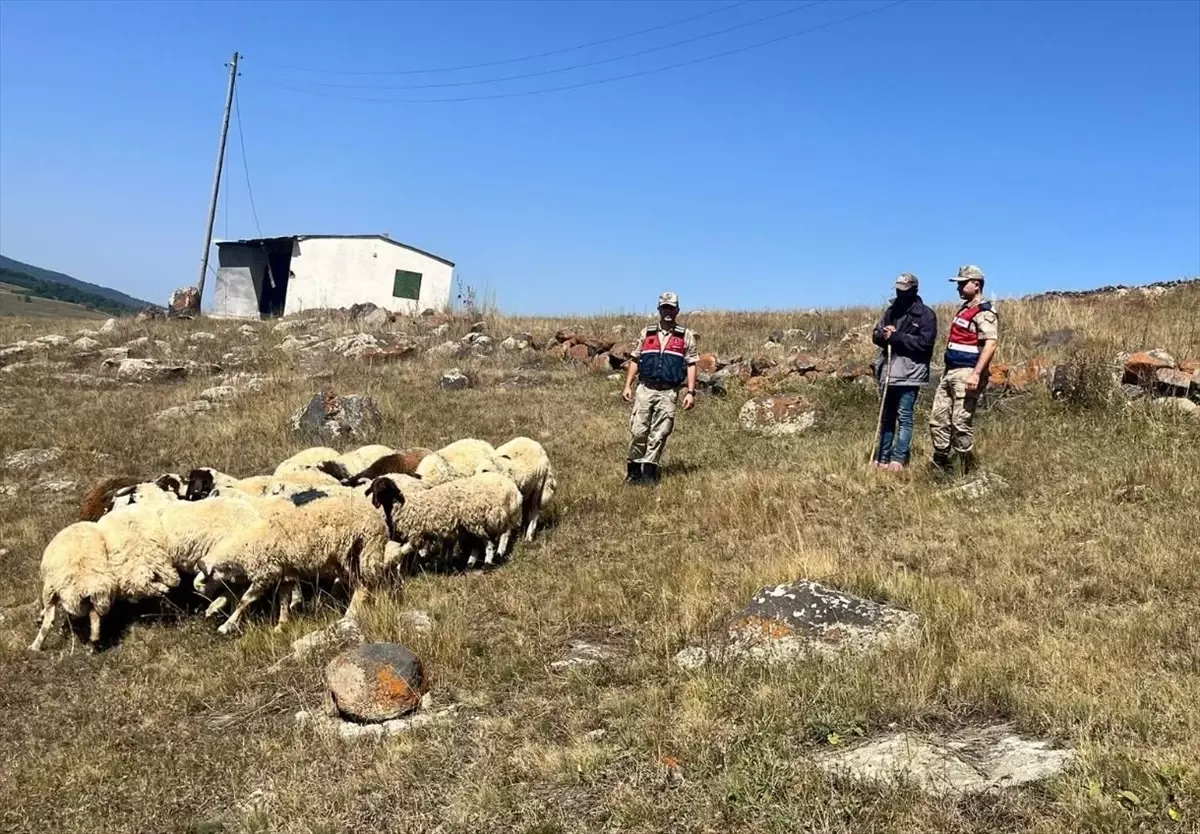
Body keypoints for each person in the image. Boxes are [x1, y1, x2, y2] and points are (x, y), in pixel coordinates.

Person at [622, 291, 699, 484]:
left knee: (659, 434)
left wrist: (690, 392)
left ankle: (649, 475)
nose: (668, 312)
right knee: (638, 431)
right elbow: (635, 359)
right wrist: (628, 385)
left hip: (668, 392)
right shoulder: (646, 333)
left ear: (677, 310)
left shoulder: (686, 336)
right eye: (664, 307)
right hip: (645, 389)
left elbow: (691, 364)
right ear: (659, 309)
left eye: (671, 308)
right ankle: (633, 474)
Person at [929, 264, 999, 475]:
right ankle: (941, 463)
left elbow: (991, 342)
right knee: (938, 419)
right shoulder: (965, 309)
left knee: (960, 422)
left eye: (962, 283)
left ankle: (965, 467)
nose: (958, 288)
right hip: (950, 370)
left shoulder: (984, 311)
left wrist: (976, 373)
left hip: (967, 372)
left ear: (976, 285)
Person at [871, 272, 937, 471]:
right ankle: (882, 458)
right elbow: (877, 335)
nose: (901, 294)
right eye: (898, 290)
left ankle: (898, 458)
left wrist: (897, 337)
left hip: (910, 373)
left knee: (904, 416)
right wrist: (882, 335)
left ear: (914, 290)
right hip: (889, 371)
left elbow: (925, 344)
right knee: (887, 416)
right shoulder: (891, 311)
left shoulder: (926, 315)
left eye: (905, 291)